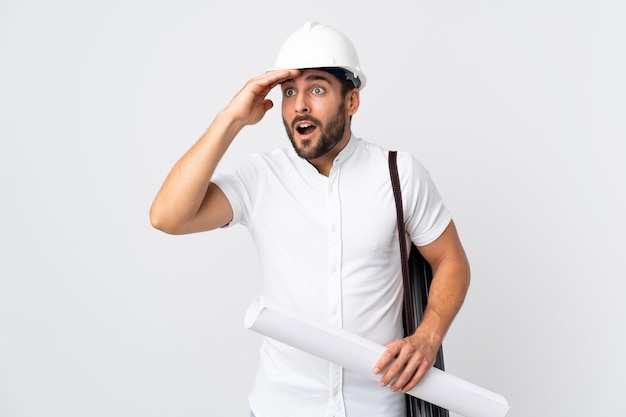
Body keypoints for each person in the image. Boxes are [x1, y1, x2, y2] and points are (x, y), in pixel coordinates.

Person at [150, 22, 470, 417]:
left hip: (377, 407)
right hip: (279, 407)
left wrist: (428, 336)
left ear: (351, 101)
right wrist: (231, 118)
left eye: (316, 89)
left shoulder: (399, 173)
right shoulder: (260, 177)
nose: (299, 104)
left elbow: (450, 260)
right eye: (289, 92)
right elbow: (167, 216)